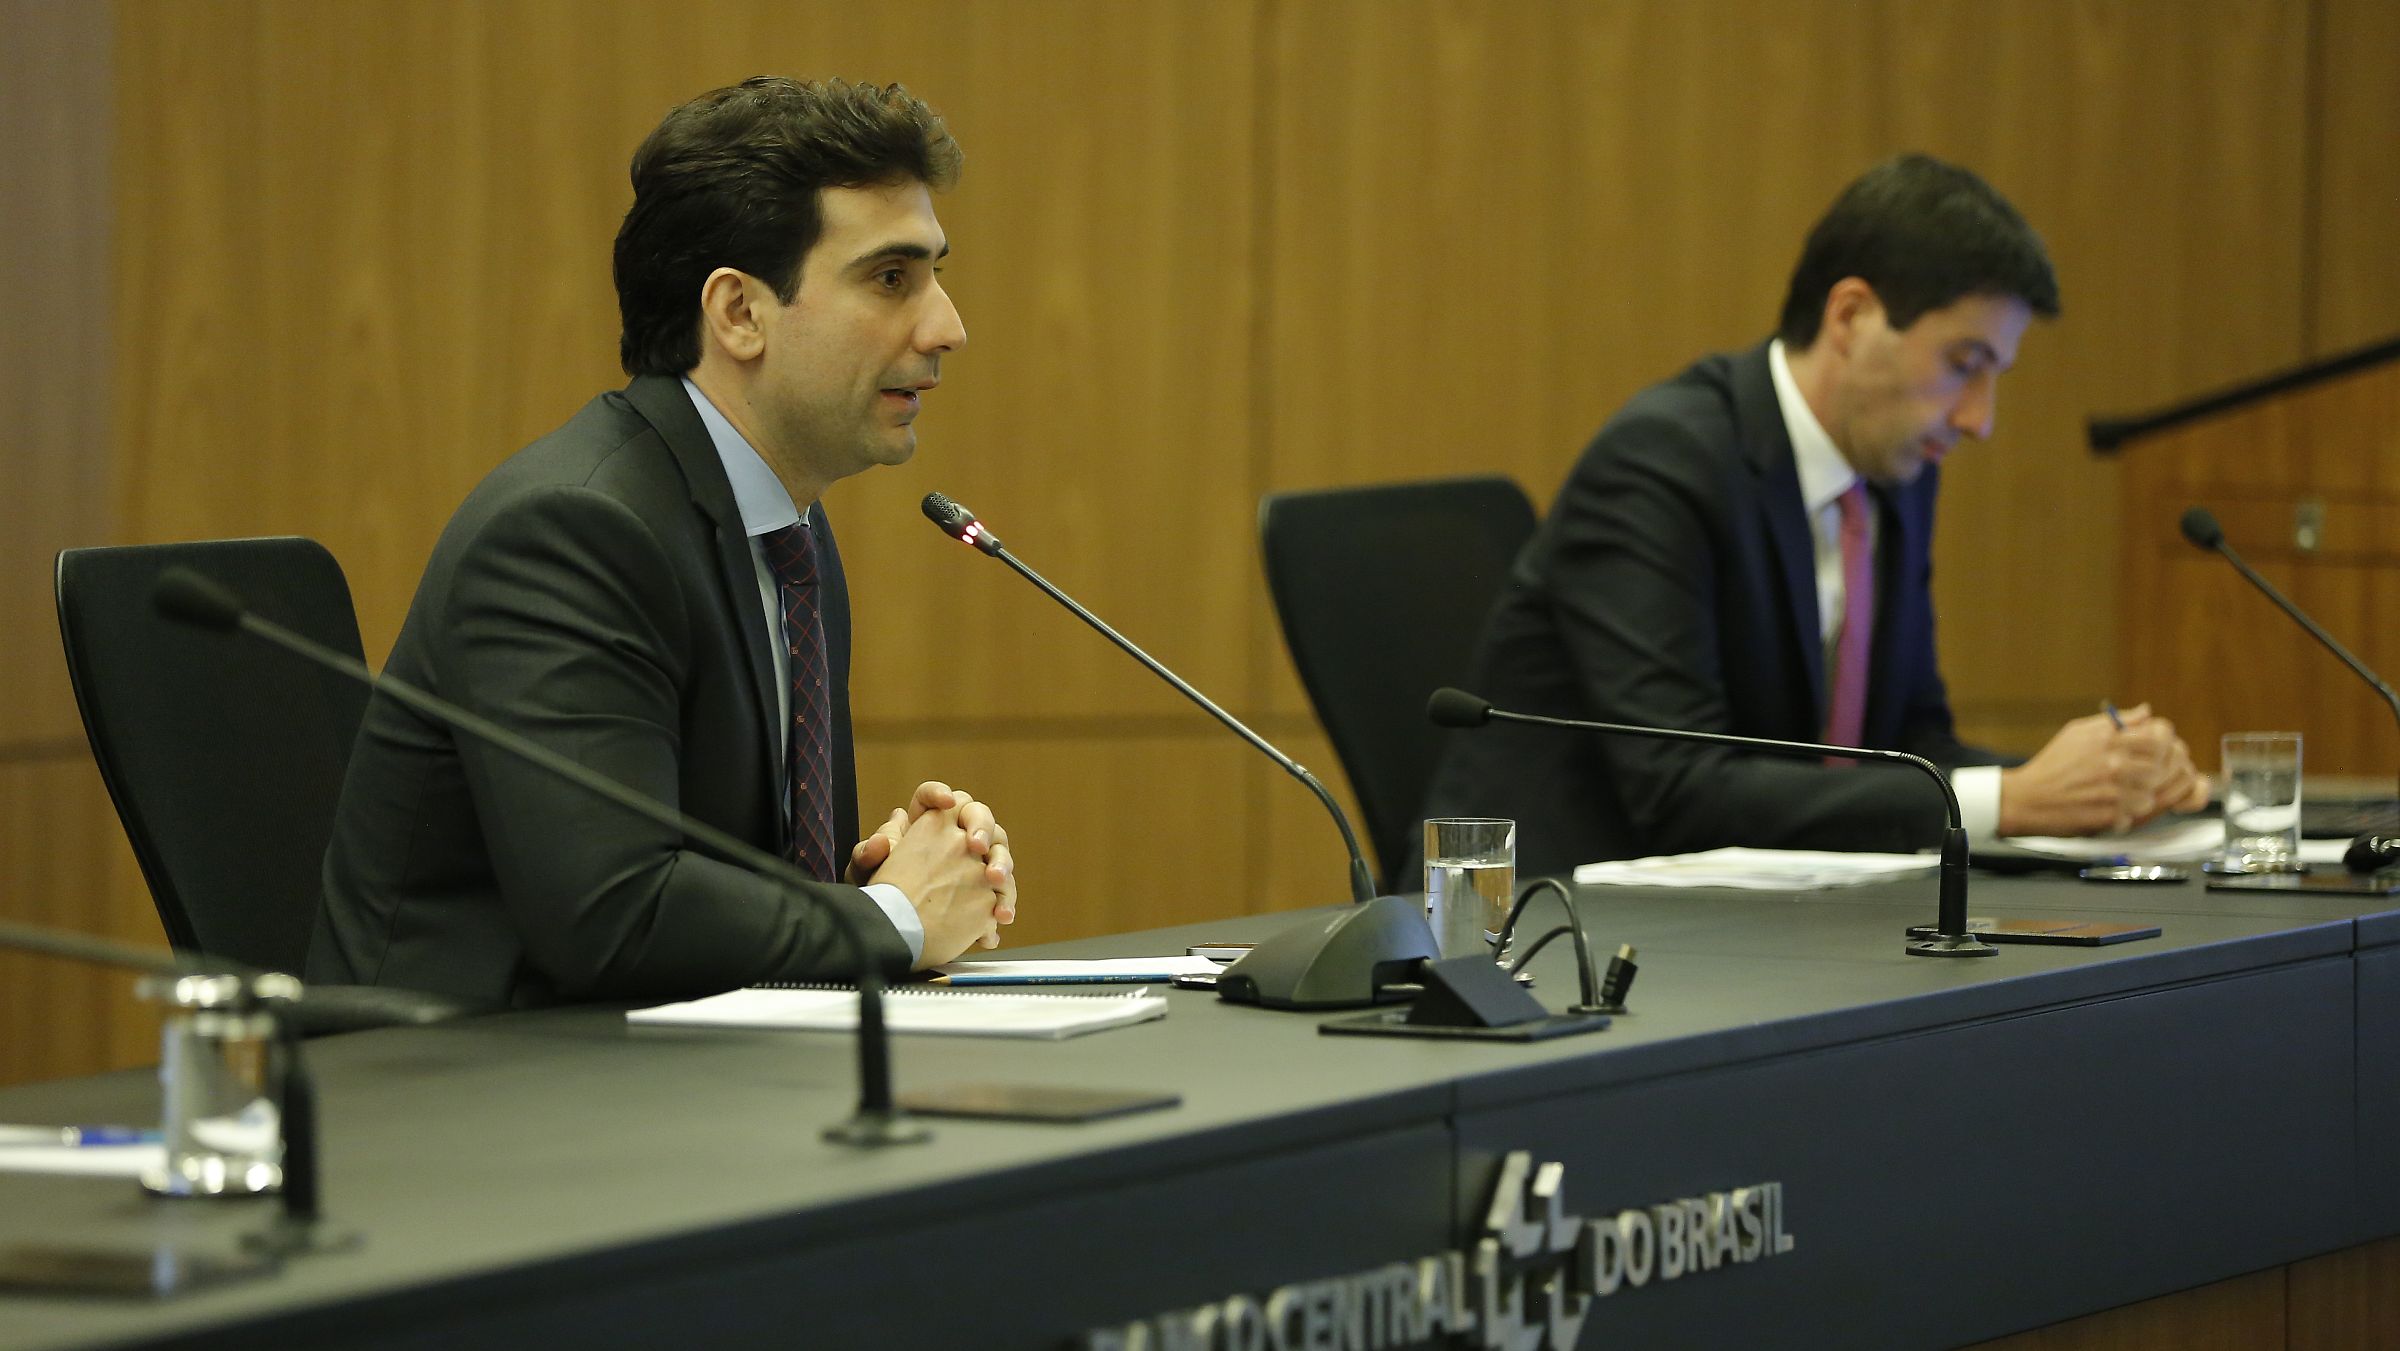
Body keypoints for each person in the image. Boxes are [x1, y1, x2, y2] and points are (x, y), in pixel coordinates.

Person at [312, 77, 1015, 1007]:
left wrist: (885, 884)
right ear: (738, 313)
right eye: (892, 279)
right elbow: (615, 913)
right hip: (469, 1073)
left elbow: (711, 879)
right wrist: (890, 919)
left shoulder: (788, 532)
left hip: (673, 1062)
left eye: (935, 275)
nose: (948, 327)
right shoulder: (573, 531)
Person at [1424, 154, 2207, 877]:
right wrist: (2011, 798)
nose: (1980, 419)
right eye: (1963, 365)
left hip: (1761, 912)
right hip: (1551, 922)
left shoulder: (1893, 470)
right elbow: (1680, 788)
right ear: (1850, 316)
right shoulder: (1660, 465)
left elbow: (1909, 743)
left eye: (1994, 374)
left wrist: (2098, 784)